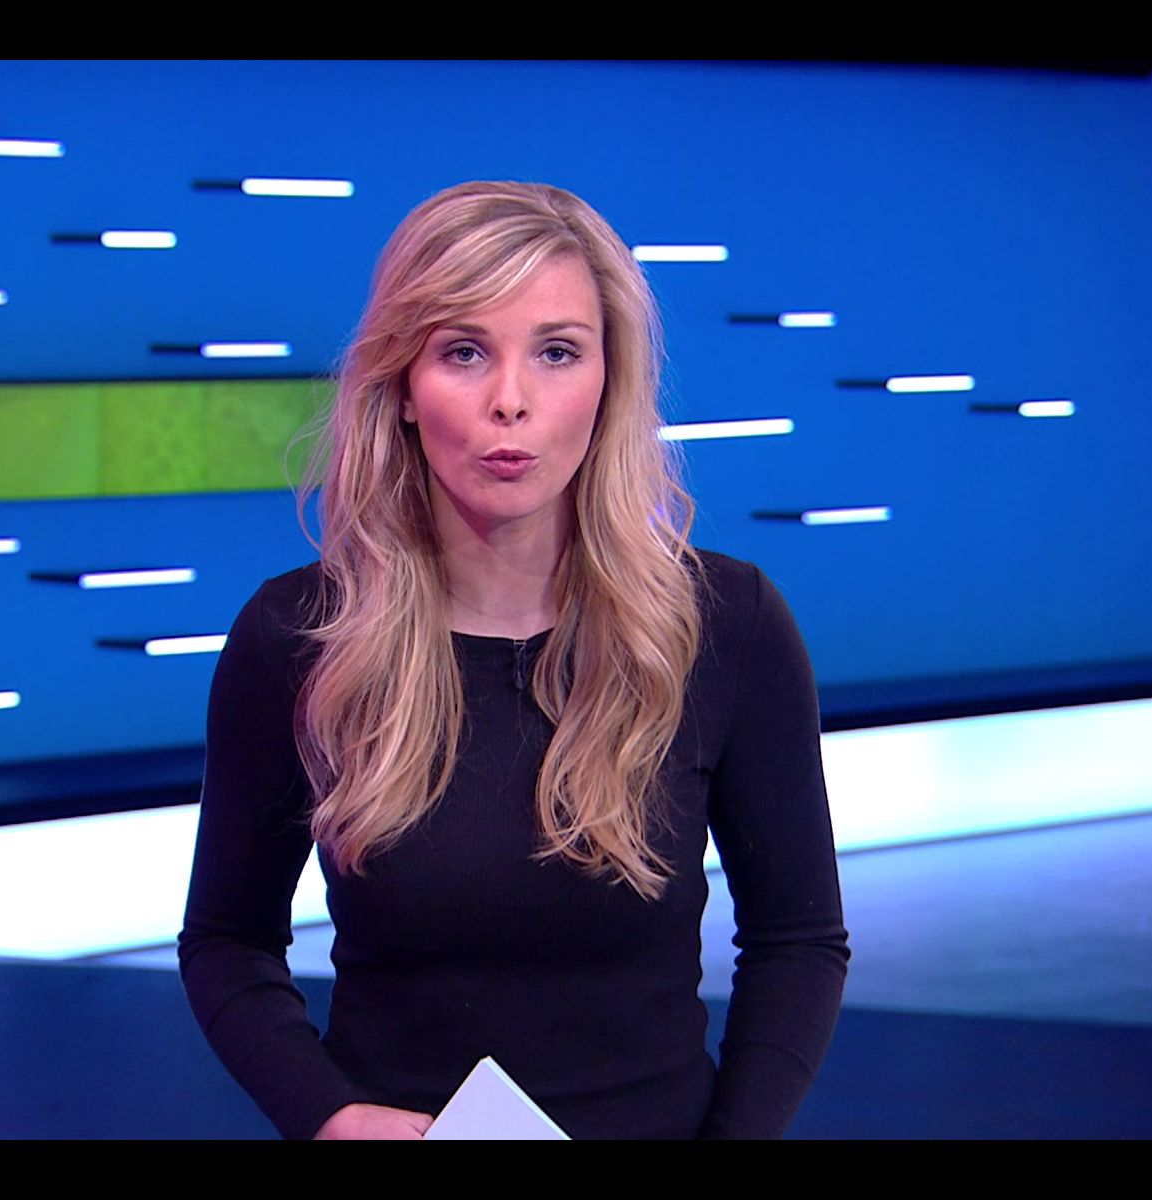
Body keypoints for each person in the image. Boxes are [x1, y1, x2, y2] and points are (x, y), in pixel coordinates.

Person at [178, 180, 849, 1140]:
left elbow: (798, 940)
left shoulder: (726, 626)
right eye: (463, 351)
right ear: (402, 387)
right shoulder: (298, 637)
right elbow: (228, 940)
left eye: (557, 352)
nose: (510, 401)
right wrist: (328, 1115)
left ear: (610, 382)